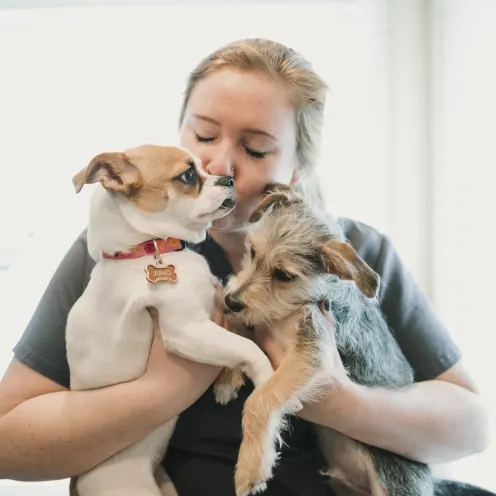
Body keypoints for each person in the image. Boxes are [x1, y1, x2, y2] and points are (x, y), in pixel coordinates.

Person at [0, 39, 491, 496]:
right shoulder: (119, 252)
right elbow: (8, 443)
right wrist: (168, 388)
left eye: (255, 148)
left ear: (299, 167)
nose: (220, 164)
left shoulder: (356, 251)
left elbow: (469, 426)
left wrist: (338, 401)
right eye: (204, 134)